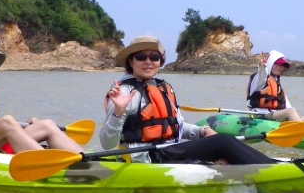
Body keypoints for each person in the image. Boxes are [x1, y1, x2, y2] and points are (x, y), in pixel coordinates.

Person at [100, 35, 275, 164]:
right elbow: (107, 143)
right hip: (146, 157)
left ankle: (270, 165)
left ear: (159, 62)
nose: (148, 61)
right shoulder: (123, 92)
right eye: (141, 57)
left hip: (169, 151)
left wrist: (202, 131)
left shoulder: (163, 88)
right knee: (221, 141)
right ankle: (270, 169)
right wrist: (118, 111)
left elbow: (177, 127)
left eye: (154, 57)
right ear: (131, 62)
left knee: (221, 139)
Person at [247, 50, 304, 125]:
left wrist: (296, 117)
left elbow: (288, 107)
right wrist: (262, 67)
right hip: (261, 116)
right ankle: (301, 131)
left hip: (276, 115)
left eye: (282, 65)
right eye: (277, 64)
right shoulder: (260, 79)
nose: (280, 67)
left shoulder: (278, 85)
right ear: (270, 63)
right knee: (291, 111)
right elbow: (262, 74)